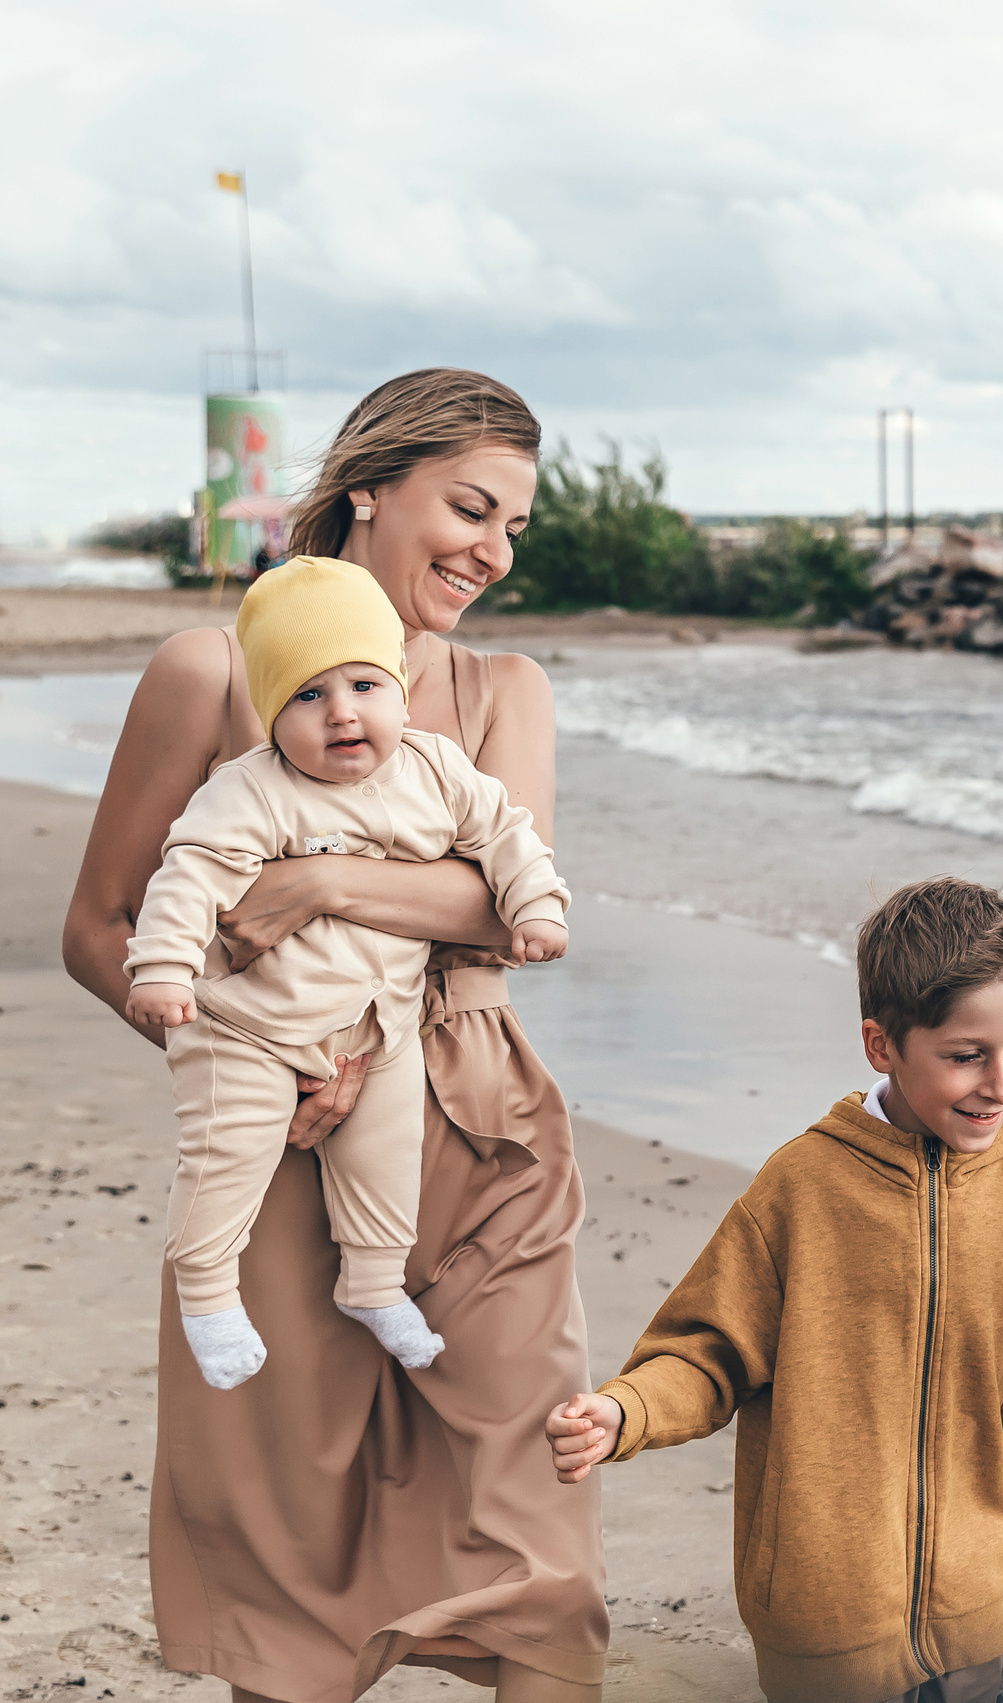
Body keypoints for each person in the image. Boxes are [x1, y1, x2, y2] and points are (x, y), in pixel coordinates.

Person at [61, 369, 609, 1703]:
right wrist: (249, 1062)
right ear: (370, 486)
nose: (493, 550)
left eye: (515, 525)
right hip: (279, 1144)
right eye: (470, 507)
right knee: (285, 1549)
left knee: (542, 1534)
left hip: (481, 1124)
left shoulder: (506, 687)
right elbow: (100, 923)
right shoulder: (209, 671)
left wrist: (314, 881)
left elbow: (507, 905)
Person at [541, 877, 1003, 1703]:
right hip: (821, 1613)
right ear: (882, 1045)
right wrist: (624, 1409)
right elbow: (706, 1353)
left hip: (970, 1602)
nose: (1000, 1083)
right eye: (966, 1055)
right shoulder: (803, 1184)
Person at [125, 556, 570, 1389]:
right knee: (227, 1152)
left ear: (399, 690)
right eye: (307, 695)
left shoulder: (438, 771)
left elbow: (508, 835)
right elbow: (189, 873)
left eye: (365, 685)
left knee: (387, 1157)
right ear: (272, 716)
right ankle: (208, 1292)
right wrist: (163, 969)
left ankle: (372, 1282)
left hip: (381, 1023)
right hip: (251, 1024)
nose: (341, 712)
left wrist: (537, 905)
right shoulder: (252, 789)